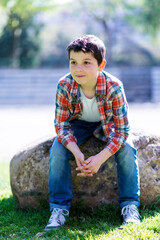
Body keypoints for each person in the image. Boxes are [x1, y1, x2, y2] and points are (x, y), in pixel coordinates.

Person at [44, 35, 140, 231]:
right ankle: (59, 208)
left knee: (128, 149)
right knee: (57, 150)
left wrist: (99, 158)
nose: (78, 68)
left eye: (86, 62)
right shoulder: (64, 85)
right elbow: (61, 124)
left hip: (108, 124)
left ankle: (130, 205)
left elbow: (122, 131)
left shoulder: (114, 87)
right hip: (78, 123)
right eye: (73, 62)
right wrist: (76, 151)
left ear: (101, 65)